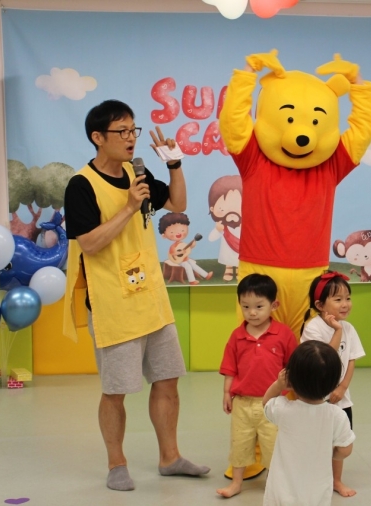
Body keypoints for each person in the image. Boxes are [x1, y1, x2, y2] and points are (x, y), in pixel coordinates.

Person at [62, 99, 209, 491]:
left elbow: (177, 203)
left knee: (167, 380)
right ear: (98, 137)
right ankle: (117, 464)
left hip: (151, 298)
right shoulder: (81, 185)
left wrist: (174, 165)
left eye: (133, 130)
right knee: (116, 391)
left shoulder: (136, 172)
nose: (130, 139)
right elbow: (89, 243)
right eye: (121, 131)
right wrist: (129, 207)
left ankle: (170, 457)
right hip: (112, 302)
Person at [216, 274, 297, 498]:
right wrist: (226, 392)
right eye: (246, 307)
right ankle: (236, 483)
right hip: (242, 403)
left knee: (273, 445)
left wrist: (295, 393)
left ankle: (274, 484)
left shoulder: (283, 334)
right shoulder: (237, 336)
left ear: (274, 305)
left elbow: (293, 366)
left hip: (273, 403)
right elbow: (230, 368)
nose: (252, 312)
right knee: (239, 444)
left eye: (259, 306)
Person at [262, 340, 355, 506]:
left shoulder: (284, 409)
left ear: (292, 379)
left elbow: (266, 404)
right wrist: (331, 454)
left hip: (281, 491)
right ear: (333, 383)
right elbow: (345, 450)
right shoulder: (337, 415)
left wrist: (278, 385)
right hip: (317, 492)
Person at [300, 271, 365, 497]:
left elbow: (351, 359)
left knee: (341, 443)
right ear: (320, 305)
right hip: (317, 399)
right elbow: (326, 357)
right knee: (318, 442)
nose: (345, 304)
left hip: (341, 398)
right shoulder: (314, 328)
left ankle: (336, 480)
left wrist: (343, 387)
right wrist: (337, 330)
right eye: (338, 299)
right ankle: (315, 480)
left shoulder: (350, 328)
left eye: (348, 298)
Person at [158, 211, 213, 285]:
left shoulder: (182, 244)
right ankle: (192, 281)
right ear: (164, 235)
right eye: (172, 232)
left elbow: (188, 249)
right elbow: (173, 253)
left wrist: (193, 244)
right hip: (179, 260)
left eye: (182, 230)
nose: (178, 233)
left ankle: (206, 275)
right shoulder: (173, 246)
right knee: (188, 267)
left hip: (186, 259)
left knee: (194, 265)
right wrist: (181, 252)